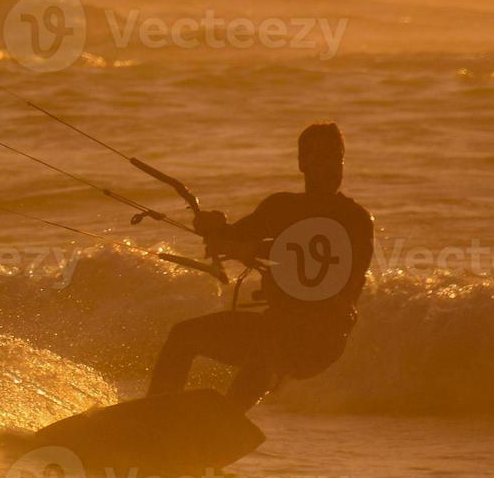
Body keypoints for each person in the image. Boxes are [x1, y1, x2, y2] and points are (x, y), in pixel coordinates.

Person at [146, 123, 374, 411]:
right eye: (319, 158)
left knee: (266, 354)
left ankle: (223, 426)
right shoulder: (281, 207)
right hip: (276, 325)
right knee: (183, 336)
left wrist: (253, 250)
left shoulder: (354, 218)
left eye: (336, 158)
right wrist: (212, 227)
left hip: (320, 338)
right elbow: (230, 237)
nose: (330, 167)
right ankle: (154, 418)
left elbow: (339, 269)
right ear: (302, 163)